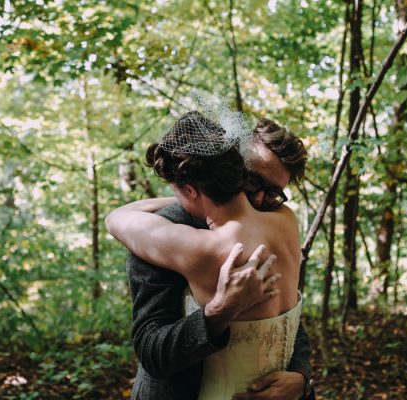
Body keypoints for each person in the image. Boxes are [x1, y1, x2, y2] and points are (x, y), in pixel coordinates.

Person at [106, 112, 314, 399]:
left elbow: (290, 317)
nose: (259, 200)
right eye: (252, 182)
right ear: (235, 164)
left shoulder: (271, 218)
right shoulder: (163, 231)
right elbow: (152, 350)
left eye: (274, 193)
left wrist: (302, 378)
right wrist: (217, 314)